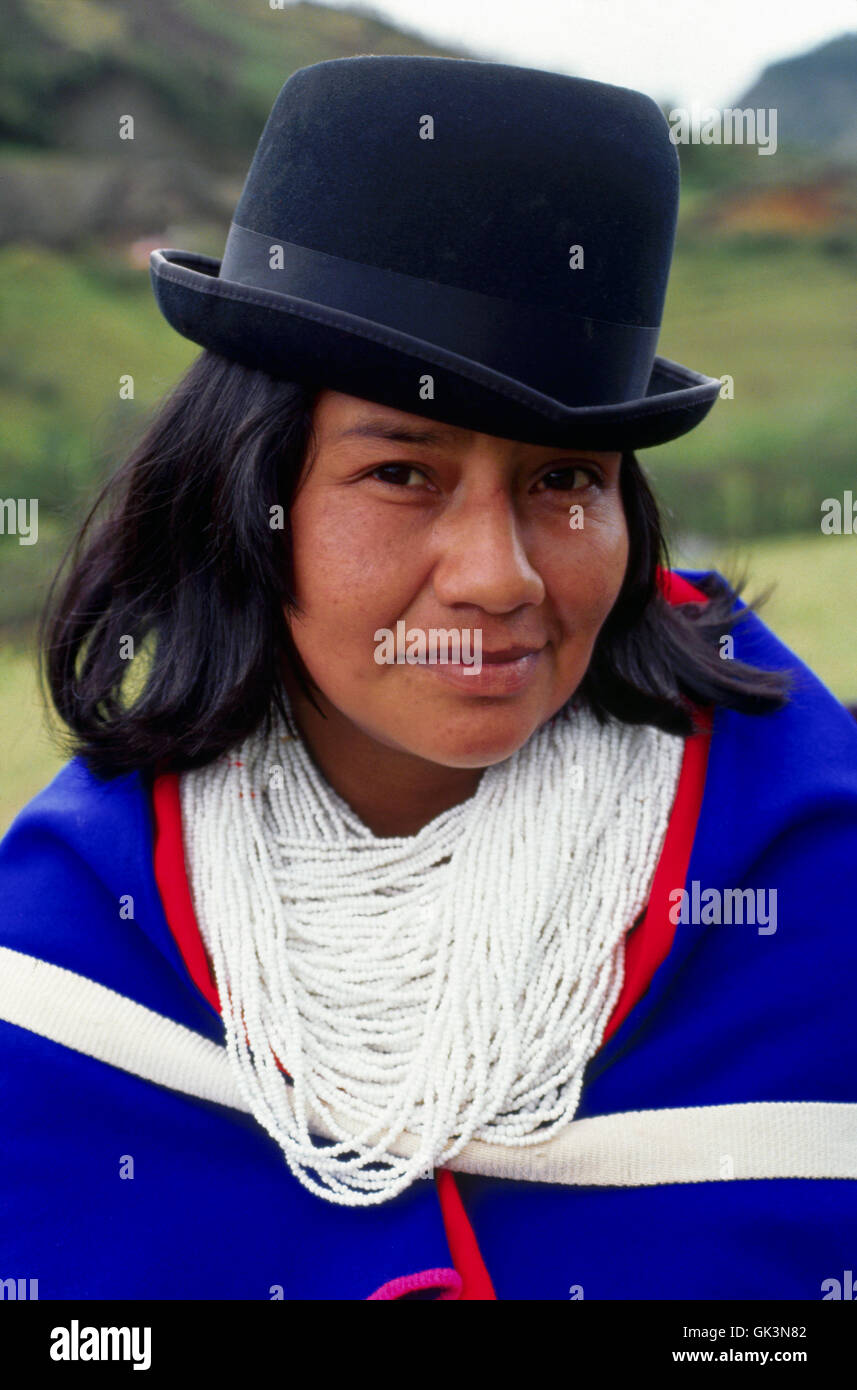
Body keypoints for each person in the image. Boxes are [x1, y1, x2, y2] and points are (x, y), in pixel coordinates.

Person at [1, 55, 855, 1302]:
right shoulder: (62, 970)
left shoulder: (812, 888)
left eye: (566, 480)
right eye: (401, 472)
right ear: (252, 488)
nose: (496, 576)